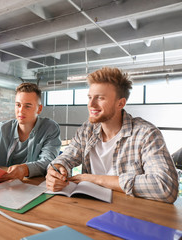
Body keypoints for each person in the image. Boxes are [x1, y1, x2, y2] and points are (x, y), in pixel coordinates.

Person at [46, 67, 179, 203]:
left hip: (130, 214)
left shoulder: (146, 134)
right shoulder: (87, 130)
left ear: (120, 103)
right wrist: (56, 170)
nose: (91, 104)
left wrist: (94, 178)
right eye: (90, 97)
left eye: (100, 98)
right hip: (90, 207)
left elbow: (166, 187)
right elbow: (66, 157)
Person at [0, 82, 61, 181]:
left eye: (27, 106)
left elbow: (48, 162)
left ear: (39, 109)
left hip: (33, 185)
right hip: (2, 184)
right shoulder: (3, 128)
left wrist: (25, 169)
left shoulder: (50, 128)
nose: (21, 110)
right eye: (18, 105)